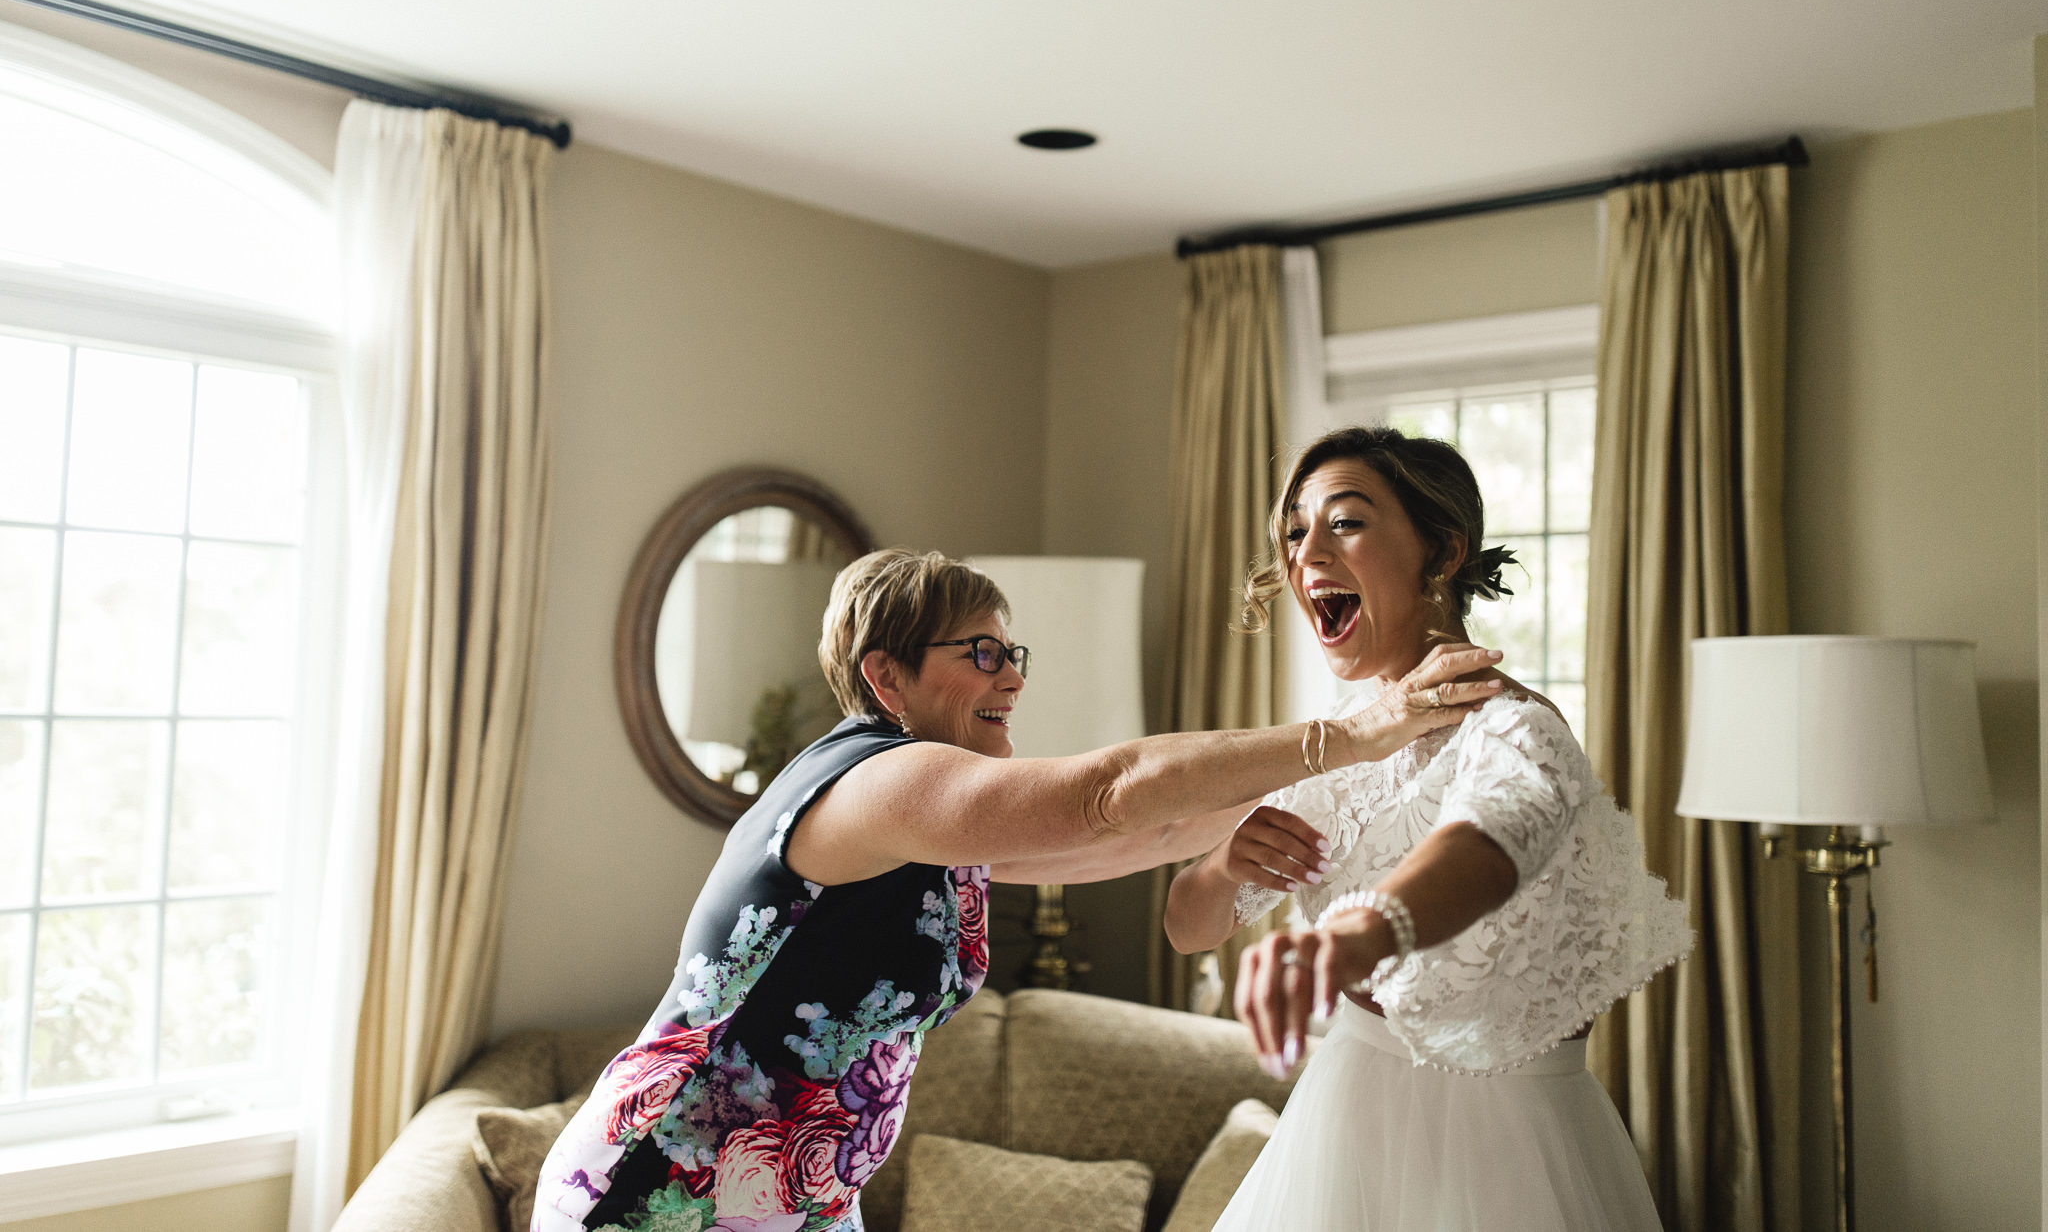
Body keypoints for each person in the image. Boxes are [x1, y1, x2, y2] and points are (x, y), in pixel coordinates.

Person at [534, 546, 1503, 1232]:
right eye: (980, 654)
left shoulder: (931, 818)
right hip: (666, 1185)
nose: (1011, 678)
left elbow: (1132, 838)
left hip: (791, 1195)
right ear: (888, 676)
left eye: (1013, 654)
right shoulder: (882, 779)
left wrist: (1304, 788)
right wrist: (1354, 730)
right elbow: (1103, 796)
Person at [1165, 426, 1693, 1232]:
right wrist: (1225, 863)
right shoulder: (1338, 742)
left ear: (1443, 552)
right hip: (1340, 1129)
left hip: (1509, 1154)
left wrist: (1347, 938)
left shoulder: (1520, 727)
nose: (1309, 551)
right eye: (1296, 528)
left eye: (1345, 520)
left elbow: (1488, 844)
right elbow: (1186, 929)